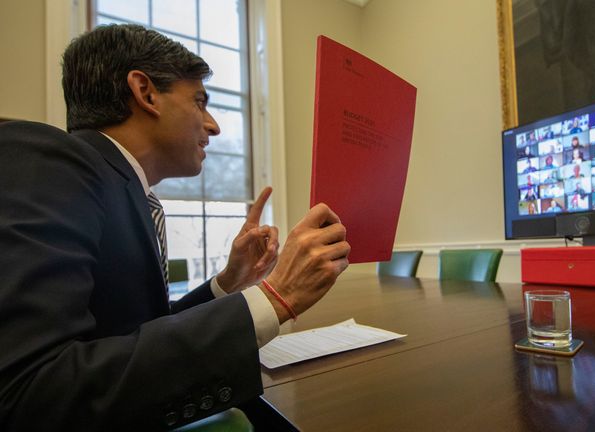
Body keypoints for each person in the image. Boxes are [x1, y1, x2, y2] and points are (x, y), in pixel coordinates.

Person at [0, 25, 351, 430]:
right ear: (145, 93)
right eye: (199, 102)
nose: (214, 125)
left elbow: (133, 336)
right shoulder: (47, 159)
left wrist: (226, 283)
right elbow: (28, 394)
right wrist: (277, 297)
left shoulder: (123, 189)